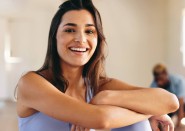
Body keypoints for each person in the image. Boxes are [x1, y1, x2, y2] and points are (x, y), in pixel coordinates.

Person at [16, 0, 179, 131]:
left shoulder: (100, 86)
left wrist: (107, 97)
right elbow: (102, 119)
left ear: (97, 39)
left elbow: (170, 101)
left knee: (136, 126)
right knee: (140, 119)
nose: (80, 39)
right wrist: (148, 111)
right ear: (55, 37)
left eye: (89, 31)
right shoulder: (30, 83)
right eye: (70, 30)